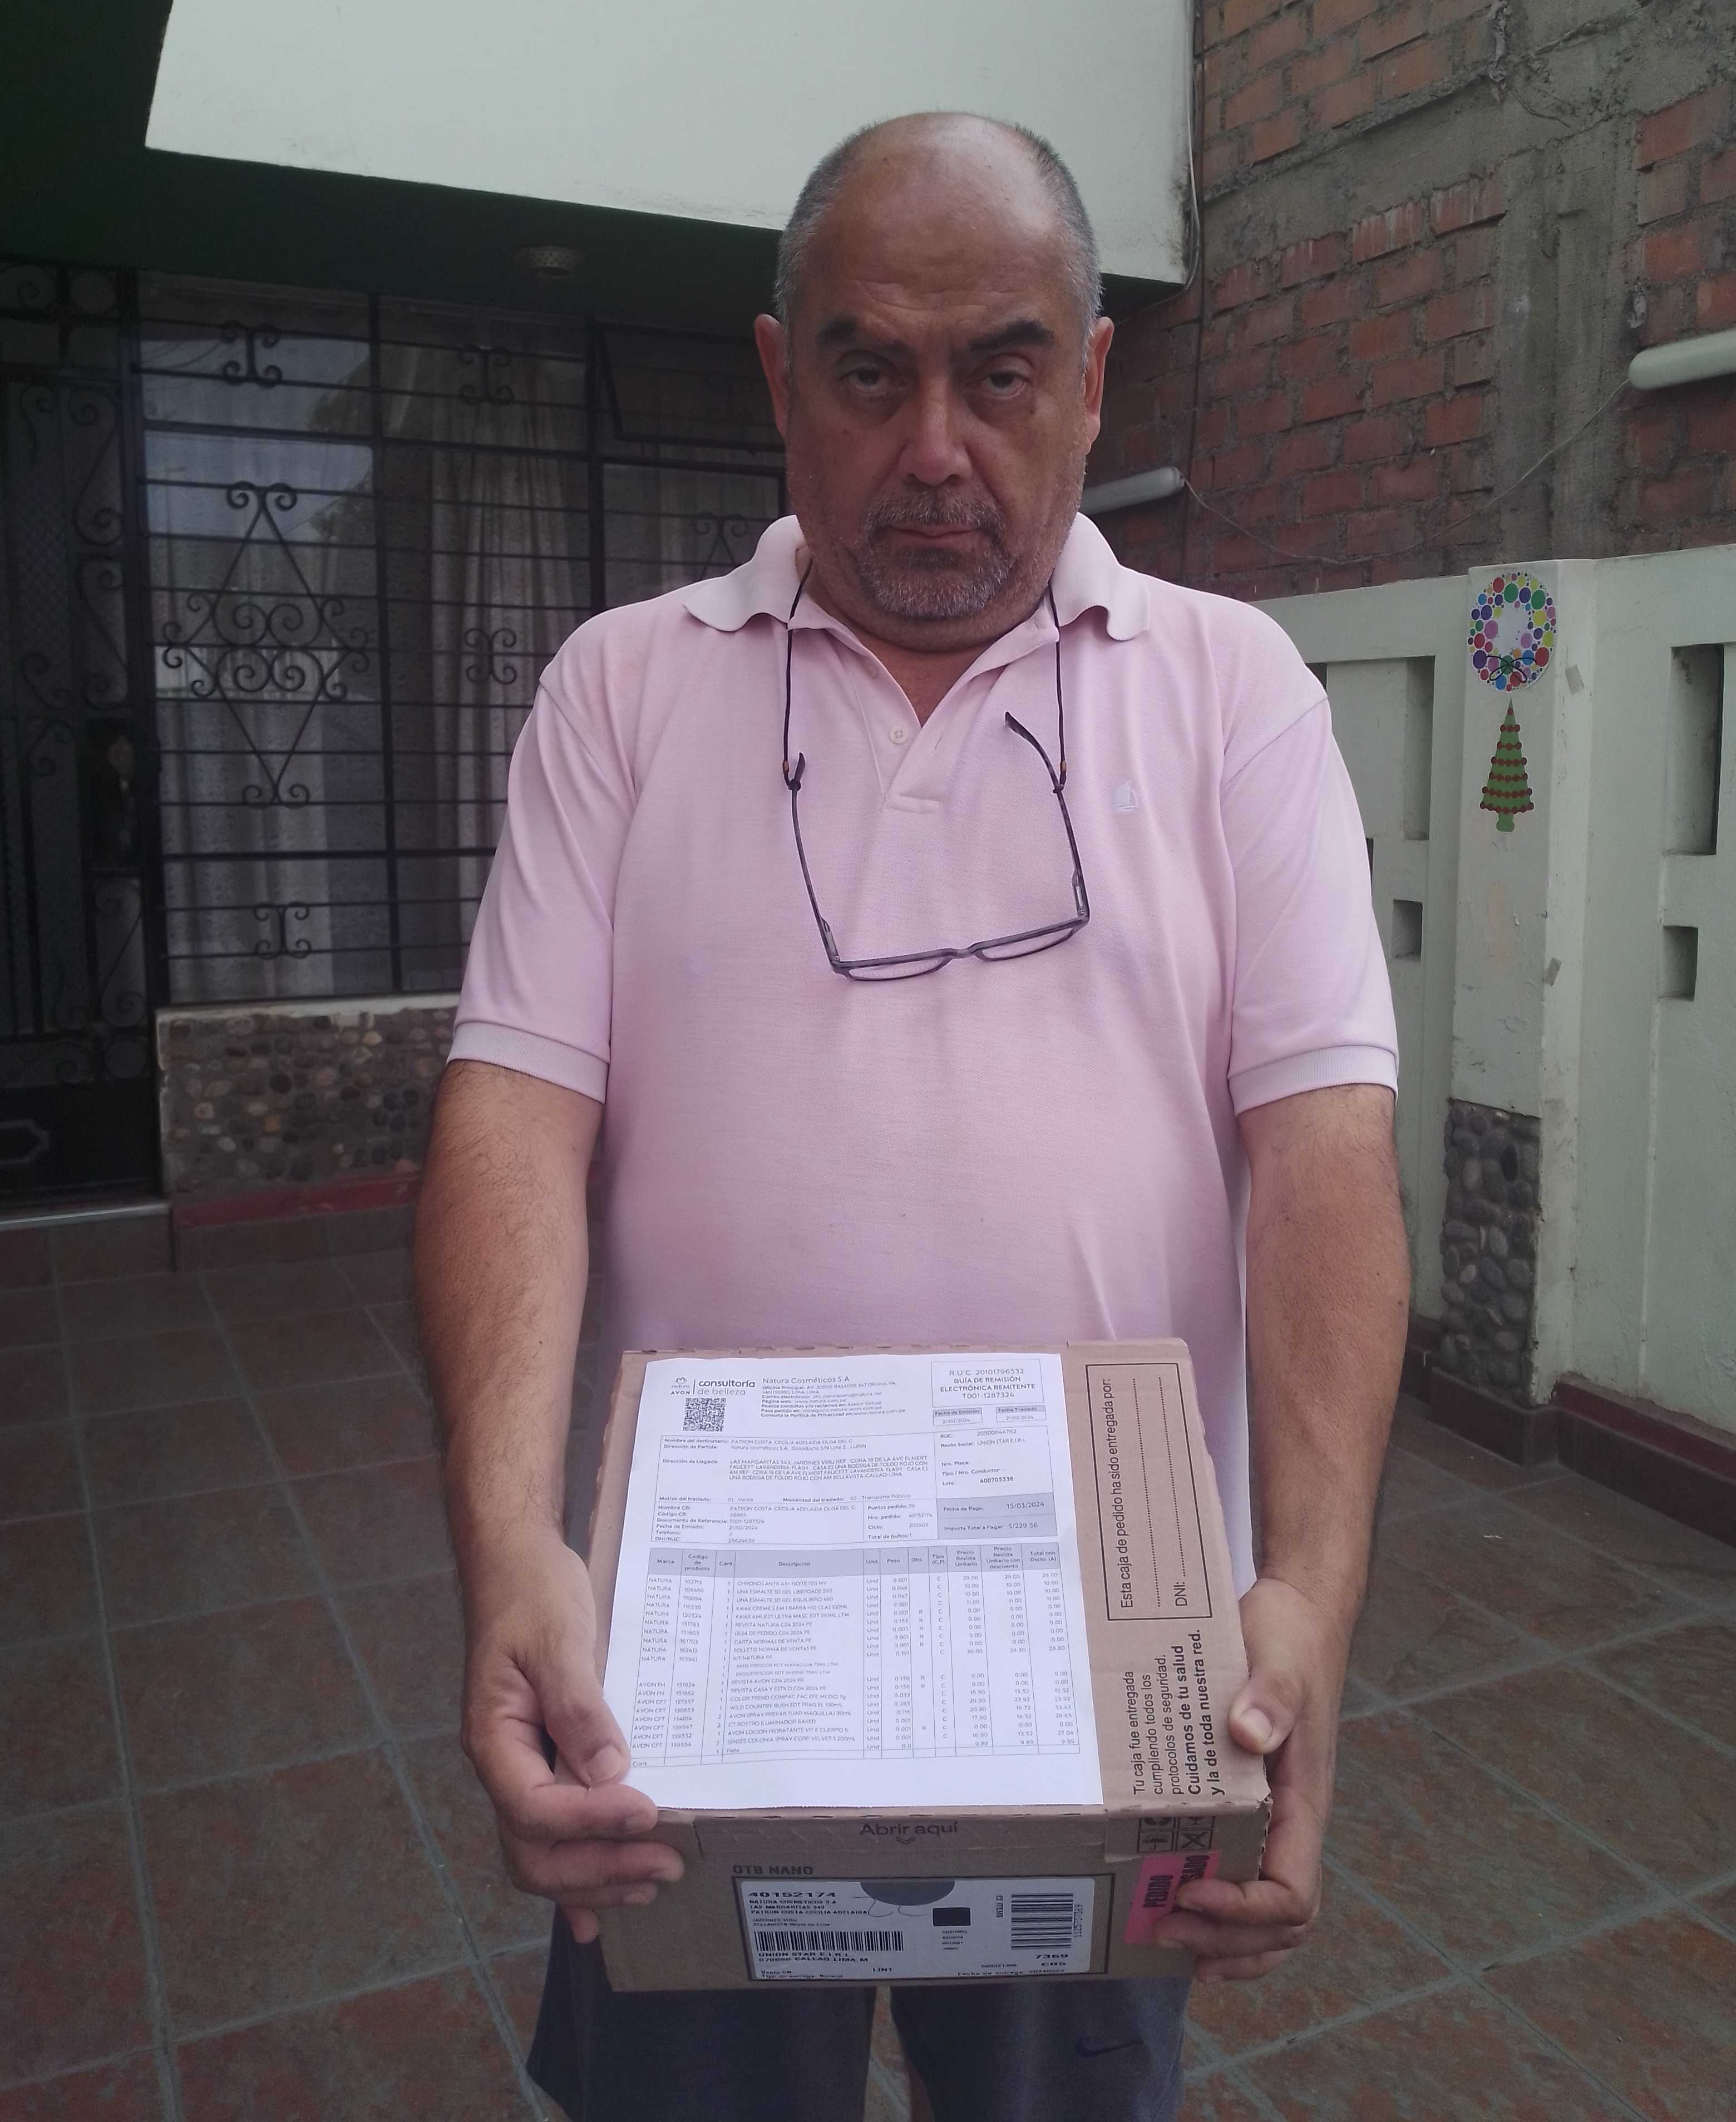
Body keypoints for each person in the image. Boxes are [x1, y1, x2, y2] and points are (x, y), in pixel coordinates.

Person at [416, 112, 1410, 2122]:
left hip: (1114, 1664)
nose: (937, 449)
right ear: (781, 379)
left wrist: (1310, 1596)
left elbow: (1322, 1157)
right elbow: (512, 1121)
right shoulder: (625, 692)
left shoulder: (1233, 694)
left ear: (1093, 381)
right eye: (872, 374)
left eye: (1003, 373)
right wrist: (510, 1546)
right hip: (699, 1671)